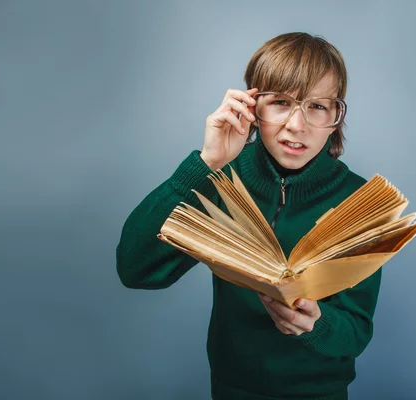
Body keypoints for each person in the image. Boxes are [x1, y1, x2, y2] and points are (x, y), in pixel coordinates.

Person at [116, 32, 383, 400]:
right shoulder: (221, 176)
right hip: (231, 390)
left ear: (336, 116)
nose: (297, 125)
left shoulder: (358, 200)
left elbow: (355, 333)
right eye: (280, 102)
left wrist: (317, 325)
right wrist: (206, 164)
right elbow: (135, 270)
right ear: (251, 107)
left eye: (318, 106)